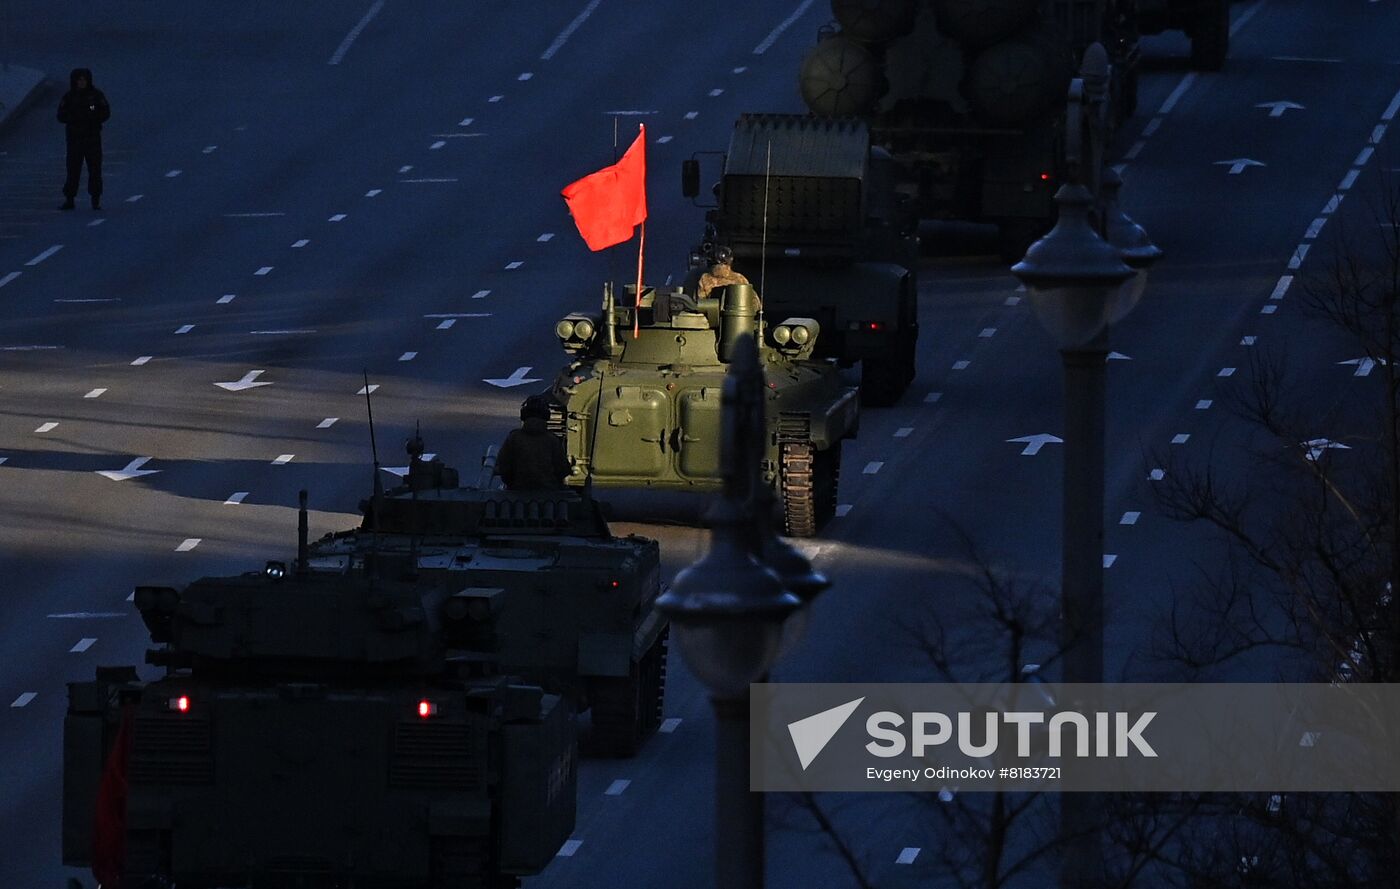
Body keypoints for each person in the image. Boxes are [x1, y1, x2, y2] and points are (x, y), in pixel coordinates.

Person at [57, 68, 110, 211]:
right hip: (75, 139)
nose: (81, 82)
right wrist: (73, 119)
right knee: (73, 169)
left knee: (94, 169)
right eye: (79, 80)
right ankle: (69, 199)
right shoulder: (69, 97)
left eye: (84, 80)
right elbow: (60, 115)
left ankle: (95, 199)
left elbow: (105, 112)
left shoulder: (96, 95)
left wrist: (93, 120)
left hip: (92, 138)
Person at [496, 396, 570, 490]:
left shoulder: (514, 438)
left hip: (517, 491)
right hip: (548, 493)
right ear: (546, 416)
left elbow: (503, 466)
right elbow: (562, 470)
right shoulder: (552, 440)